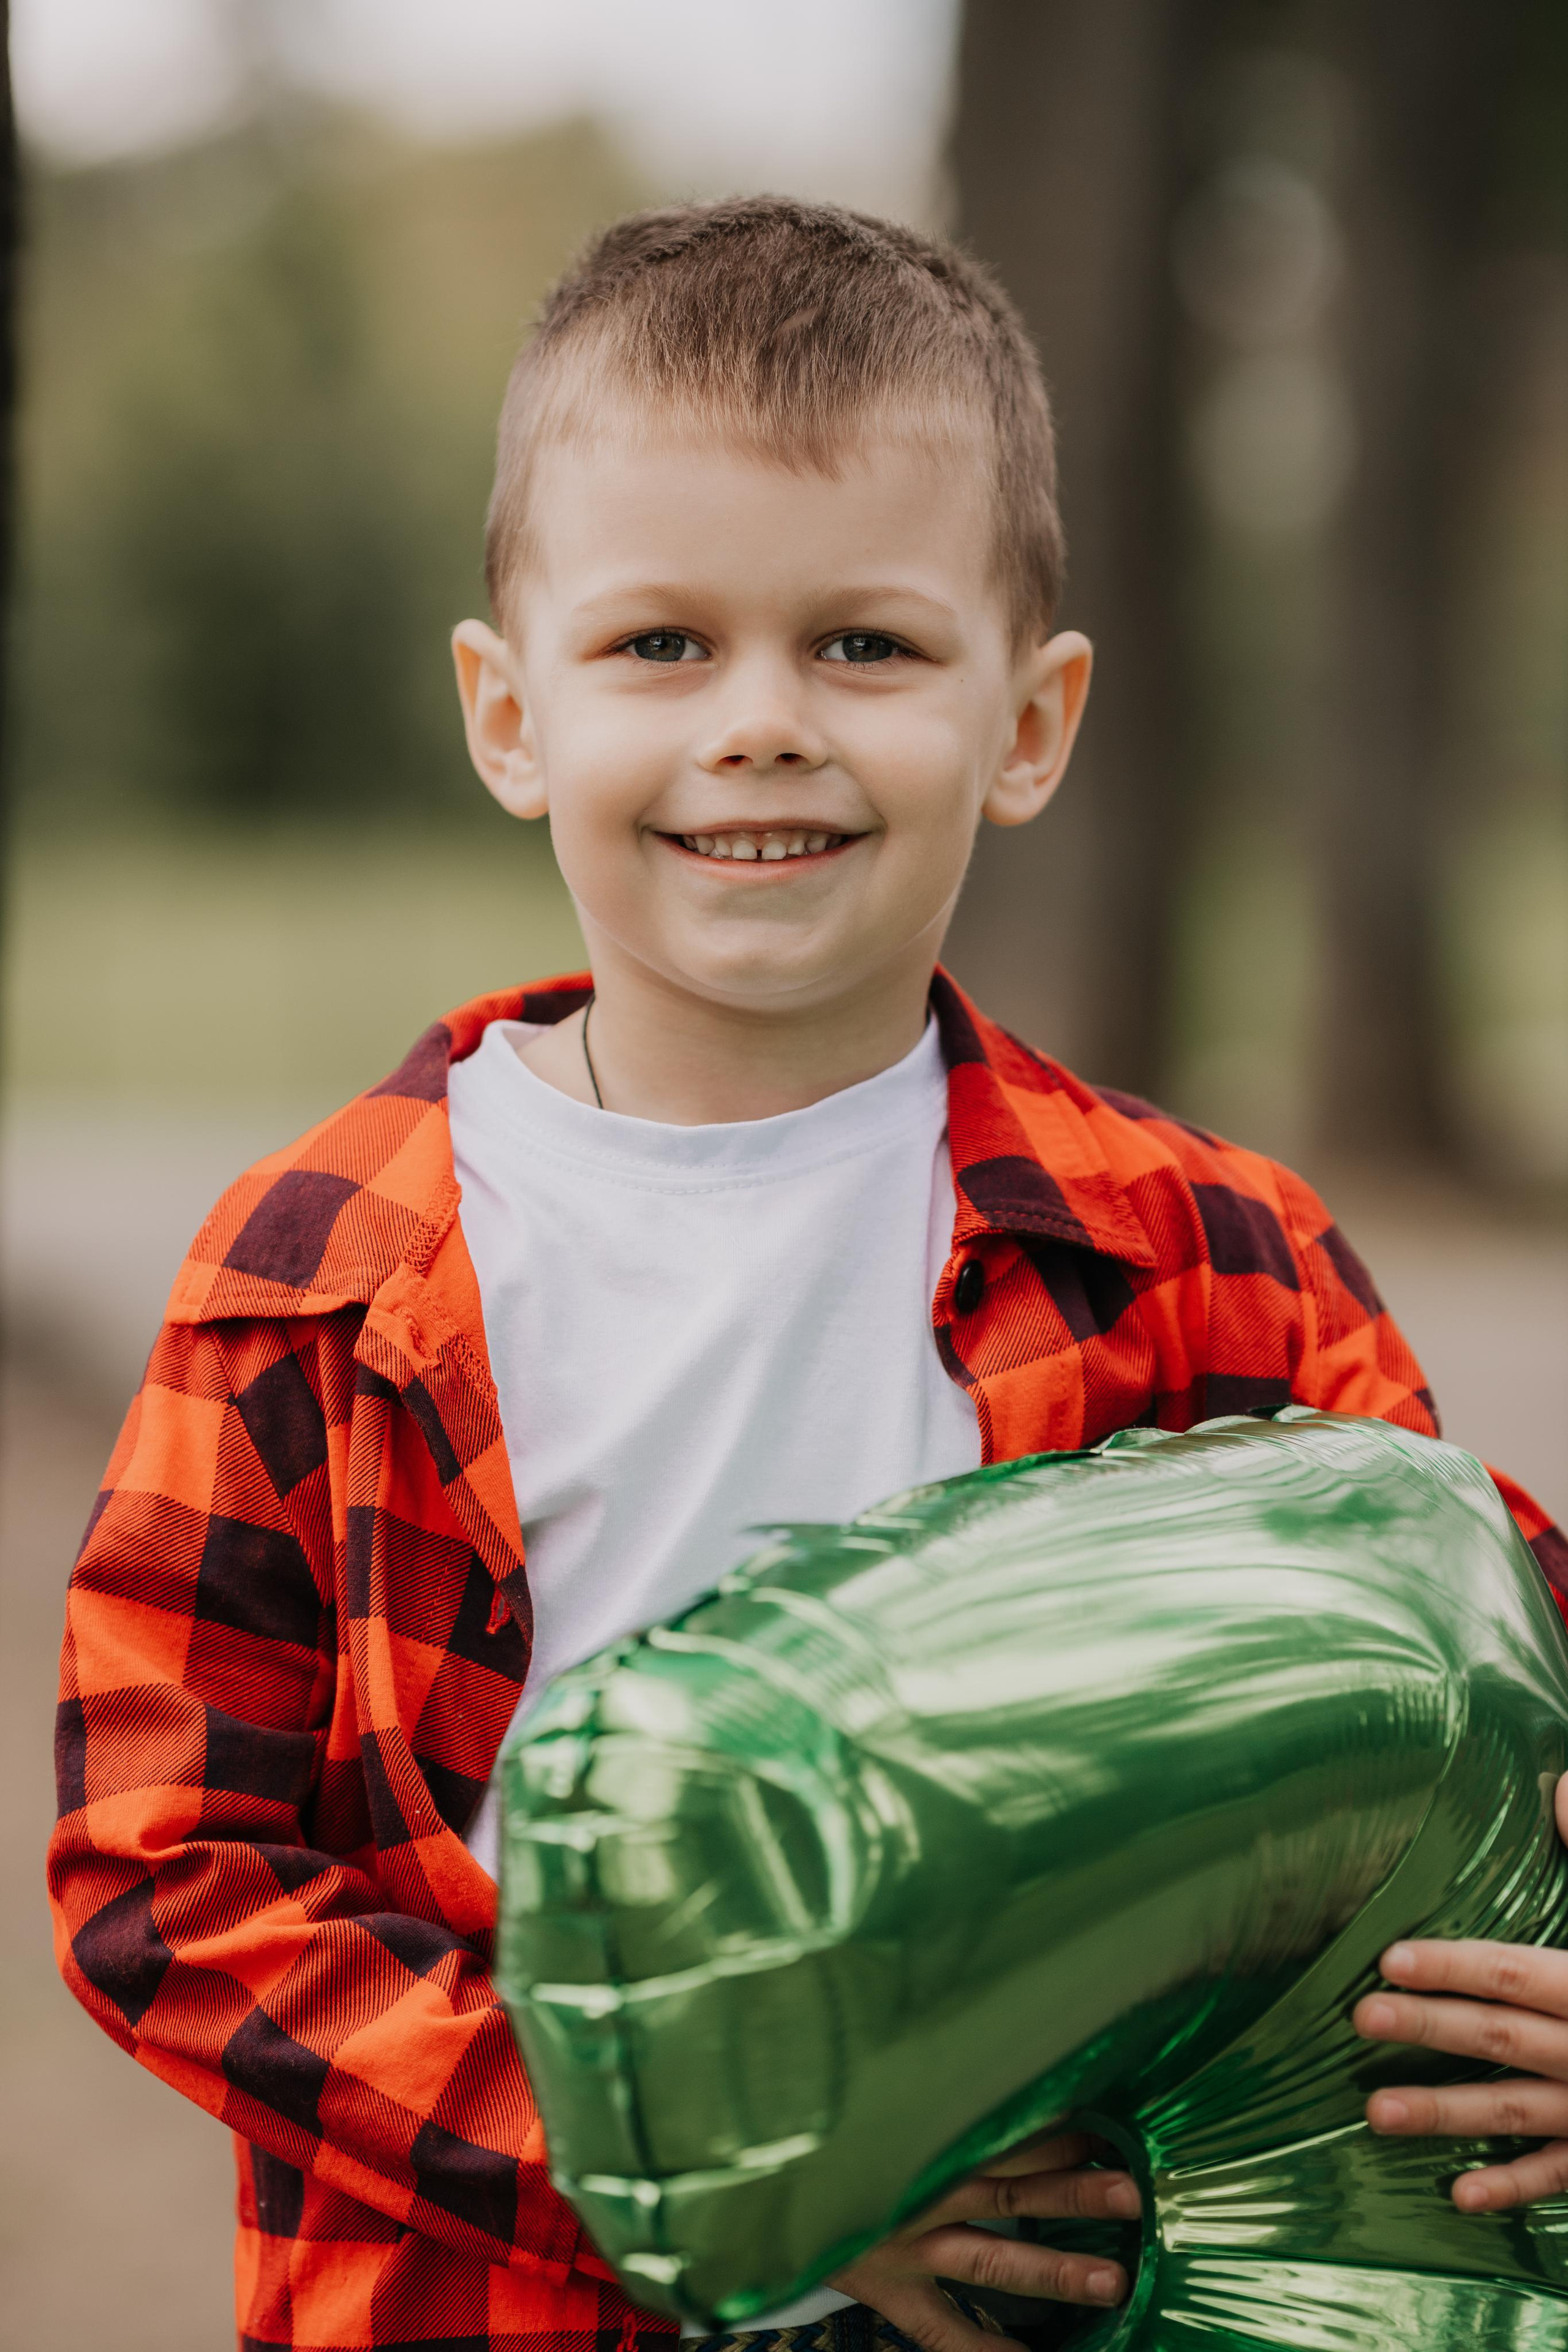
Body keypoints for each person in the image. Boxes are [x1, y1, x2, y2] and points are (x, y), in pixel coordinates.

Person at [46, 197, 1568, 2352]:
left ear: (1029, 725)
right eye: (660, 645)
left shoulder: (1213, 1262)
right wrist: (711, 2188)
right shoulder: (315, 1279)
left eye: (865, 645)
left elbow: (1475, 1714)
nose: (761, 722)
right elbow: (167, 1873)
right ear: (508, 713)